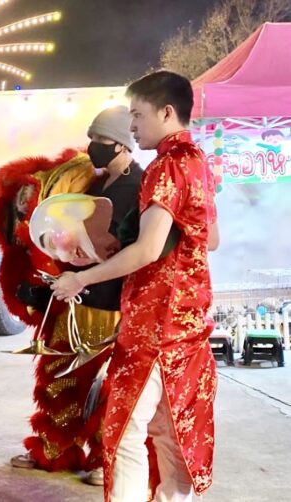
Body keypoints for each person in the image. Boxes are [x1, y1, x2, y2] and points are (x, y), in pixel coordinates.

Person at [51, 70, 220, 502]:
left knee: (125, 431)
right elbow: (210, 239)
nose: (132, 126)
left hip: (155, 325)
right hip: (189, 321)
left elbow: (147, 250)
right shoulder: (199, 162)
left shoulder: (165, 166)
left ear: (167, 112)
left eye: (138, 115)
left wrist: (81, 277)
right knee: (173, 432)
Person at [7, 106, 143, 487]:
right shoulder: (95, 184)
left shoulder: (138, 187)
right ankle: (55, 448)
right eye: (92, 138)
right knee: (59, 377)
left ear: (122, 144)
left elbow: (134, 253)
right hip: (74, 299)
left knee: (105, 386)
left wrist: (86, 278)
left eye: (101, 139)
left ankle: (104, 457)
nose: (93, 145)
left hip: (112, 306)